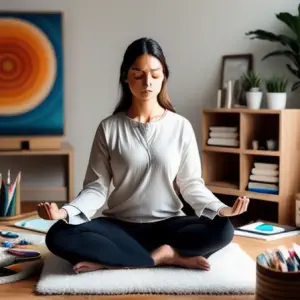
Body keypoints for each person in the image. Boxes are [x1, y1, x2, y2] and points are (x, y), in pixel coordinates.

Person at [37, 37, 250, 274]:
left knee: (223, 229)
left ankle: (115, 261)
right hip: (120, 227)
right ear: (125, 77)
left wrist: (222, 209)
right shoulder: (109, 128)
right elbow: (96, 188)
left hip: (170, 225)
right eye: (138, 74)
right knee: (59, 234)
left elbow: (191, 185)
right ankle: (166, 257)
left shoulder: (180, 126)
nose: (147, 82)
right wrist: (64, 212)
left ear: (164, 77)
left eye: (155, 74)